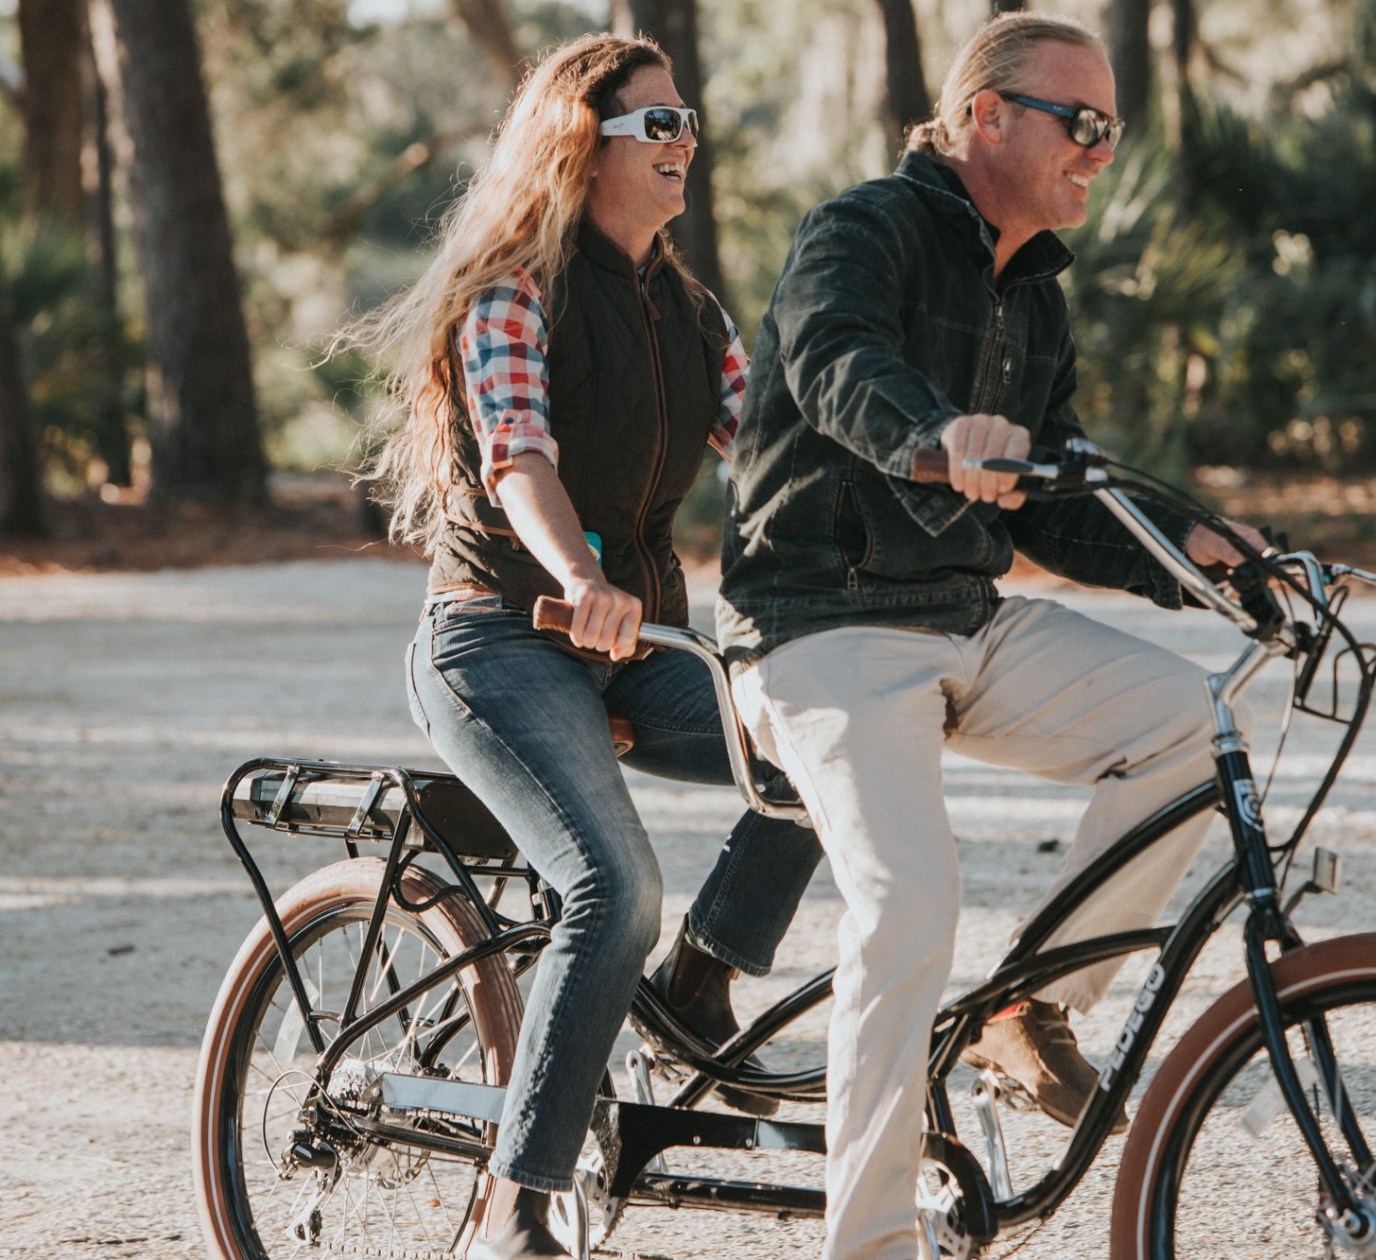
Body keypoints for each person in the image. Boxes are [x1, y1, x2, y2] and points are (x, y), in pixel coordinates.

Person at [715, 14, 1267, 1259]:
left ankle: (1029, 1010)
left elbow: (1058, 503)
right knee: (909, 903)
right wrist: (936, 436)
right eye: (1084, 123)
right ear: (986, 116)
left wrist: (1206, 557)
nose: (1102, 151)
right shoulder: (863, 229)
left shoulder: (1036, 296)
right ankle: (870, 1247)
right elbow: (835, 362)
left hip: (963, 620)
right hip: (819, 627)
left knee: (1191, 725)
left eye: (1112, 128)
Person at [346, 34, 823, 1260]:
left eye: (688, 123)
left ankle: (699, 982)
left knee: (830, 746)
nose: (683, 144)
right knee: (614, 890)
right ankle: (519, 1208)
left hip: (636, 640)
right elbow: (519, 458)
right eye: (657, 124)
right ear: (580, 142)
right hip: (499, 639)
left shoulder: (690, 312)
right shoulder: (515, 292)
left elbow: (777, 454)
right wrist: (580, 576)